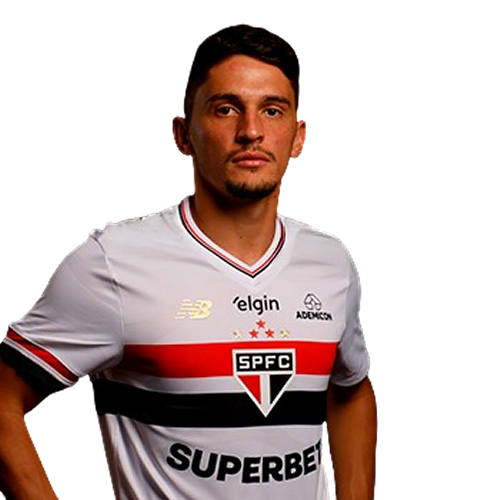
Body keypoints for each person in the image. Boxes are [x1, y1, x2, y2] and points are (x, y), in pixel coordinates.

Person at [0, 24, 377, 499]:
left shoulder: (331, 261)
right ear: (183, 135)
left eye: (272, 110)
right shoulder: (114, 263)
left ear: (298, 137)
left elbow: (352, 387)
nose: (251, 131)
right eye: (225, 109)